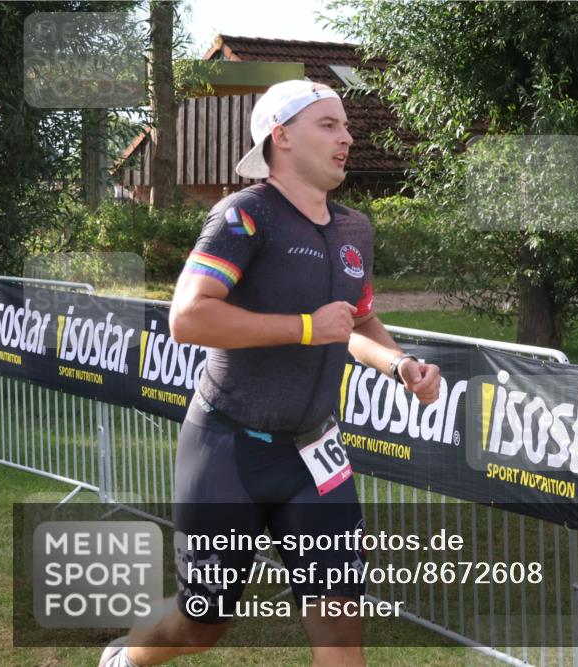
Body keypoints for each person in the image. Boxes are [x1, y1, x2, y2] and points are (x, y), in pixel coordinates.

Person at [100, 79, 442, 667]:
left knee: (340, 628)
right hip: (229, 447)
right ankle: (124, 659)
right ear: (281, 138)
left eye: (346, 125)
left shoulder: (355, 228)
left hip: (317, 455)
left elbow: (356, 322)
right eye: (328, 125)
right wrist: (305, 328)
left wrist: (400, 364)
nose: (347, 137)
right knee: (199, 624)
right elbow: (189, 318)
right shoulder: (244, 216)